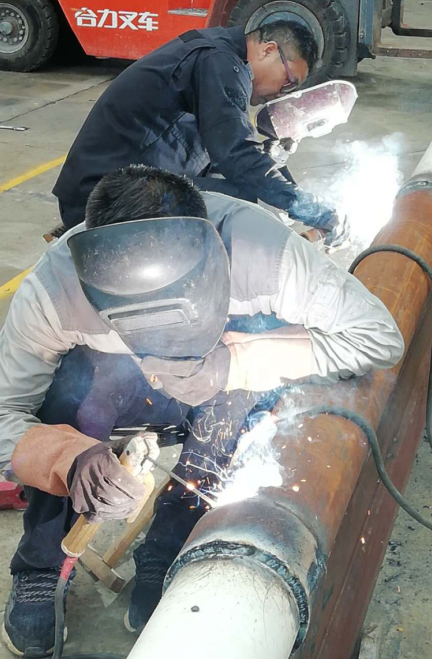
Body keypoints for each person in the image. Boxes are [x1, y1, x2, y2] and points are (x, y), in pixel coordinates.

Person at [0, 166, 404, 656]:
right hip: (110, 395)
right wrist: (67, 458)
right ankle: (41, 565)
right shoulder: (54, 289)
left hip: (214, 389)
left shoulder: (263, 253)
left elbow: (377, 338)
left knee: (240, 395)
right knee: (68, 393)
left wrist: (237, 361)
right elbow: (5, 411)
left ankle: (169, 544)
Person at [52, 21, 346, 244]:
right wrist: (300, 204)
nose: (282, 92)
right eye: (288, 81)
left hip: (117, 184)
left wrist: (279, 179)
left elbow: (224, 148)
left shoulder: (219, 54)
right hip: (103, 198)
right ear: (268, 50)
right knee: (247, 207)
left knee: (245, 193)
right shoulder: (219, 62)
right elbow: (235, 155)